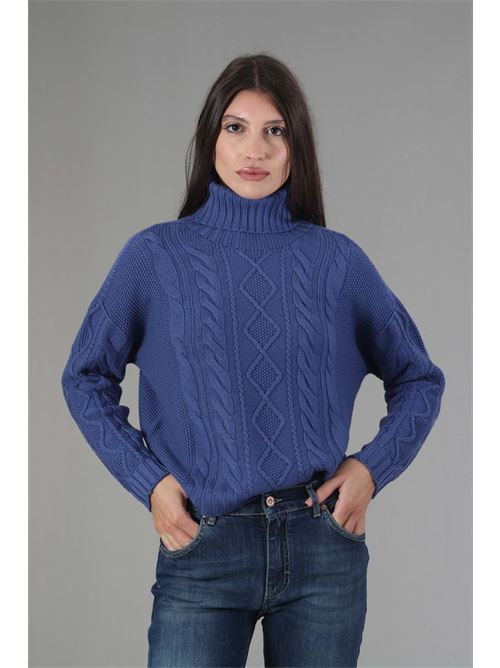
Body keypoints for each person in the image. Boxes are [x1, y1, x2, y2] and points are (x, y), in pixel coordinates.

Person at [60, 53, 445, 668]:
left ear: (296, 147)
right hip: (205, 542)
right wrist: (150, 483)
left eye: (275, 131)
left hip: (320, 546)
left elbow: (419, 377)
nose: (255, 150)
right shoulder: (155, 257)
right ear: (210, 138)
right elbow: (84, 377)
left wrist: (371, 470)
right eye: (236, 127)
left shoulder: (336, 262)